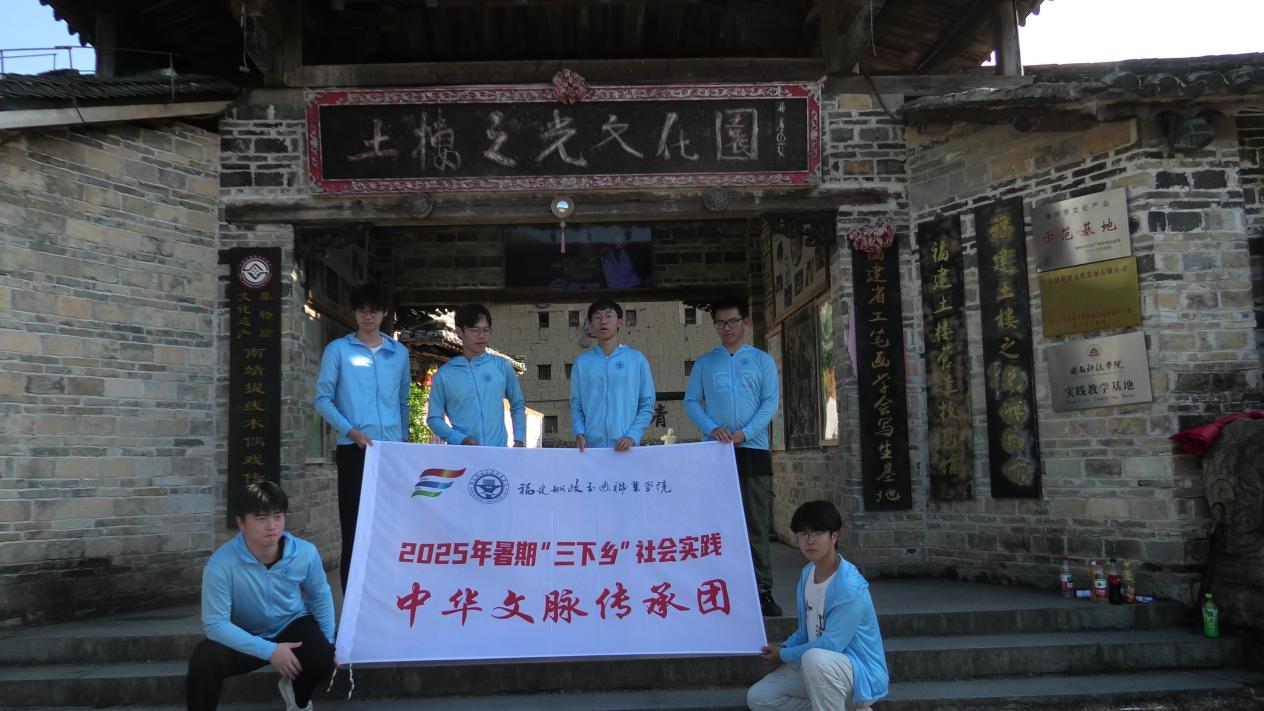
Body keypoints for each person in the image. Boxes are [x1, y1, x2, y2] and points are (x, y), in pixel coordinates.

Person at [186, 481, 336, 711]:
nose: (272, 526)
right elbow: (215, 625)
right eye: (261, 518)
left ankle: (298, 697)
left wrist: (330, 642)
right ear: (241, 523)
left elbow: (320, 597)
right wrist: (271, 650)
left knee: (323, 657)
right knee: (204, 659)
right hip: (246, 632)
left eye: (278, 516)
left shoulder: (305, 553)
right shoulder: (221, 564)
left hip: (292, 624)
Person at [684, 296, 782, 616]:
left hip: (753, 450)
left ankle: (762, 590)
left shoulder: (762, 361)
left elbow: (770, 401)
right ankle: (719, 587)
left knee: (755, 524)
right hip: (715, 453)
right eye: (720, 323)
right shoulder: (705, 363)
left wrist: (746, 432)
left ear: (745, 323)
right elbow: (691, 402)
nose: (726, 328)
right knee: (717, 524)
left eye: (732, 322)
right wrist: (712, 429)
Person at [747, 500, 889, 711]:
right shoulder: (808, 573)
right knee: (760, 697)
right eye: (803, 534)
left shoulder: (849, 587)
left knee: (815, 659)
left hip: (857, 675)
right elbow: (806, 631)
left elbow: (831, 645)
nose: (810, 540)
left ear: (834, 536)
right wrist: (783, 648)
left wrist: (783, 655)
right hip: (818, 669)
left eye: (817, 533)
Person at [314, 283, 411, 592]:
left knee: (391, 526)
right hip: (354, 449)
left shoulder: (399, 354)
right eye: (362, 311)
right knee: (354, 526)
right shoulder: (338, 350)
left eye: (374, 311)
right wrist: (351, 431)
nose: (368, 317)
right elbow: (323, 400)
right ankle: (353, 600)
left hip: (390, 452)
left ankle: (388, 594)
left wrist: (402, 441)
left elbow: (403, 402)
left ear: (384, 314)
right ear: (354, 313)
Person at [427, 304, 526, 447]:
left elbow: (517, 404)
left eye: (486, 330)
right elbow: (434, 418)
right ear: (459, 331)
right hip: (462, 455)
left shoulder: (502, 366)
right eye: (475, 330)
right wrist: (460, 439)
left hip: (498, 452)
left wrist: (519, 439)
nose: (482, 336)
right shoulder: (444, 375)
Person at [570, 299, 655, 452]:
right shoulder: (582, 362)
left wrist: (633, 436)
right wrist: (579, 433)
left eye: (609, 316)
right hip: (591, 449)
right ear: (590, 324)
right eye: (597, 317)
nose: (603, 321)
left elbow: (647, 404)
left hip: (626, 449)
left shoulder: (636, 360)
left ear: (620, 322)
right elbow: (576, 405)